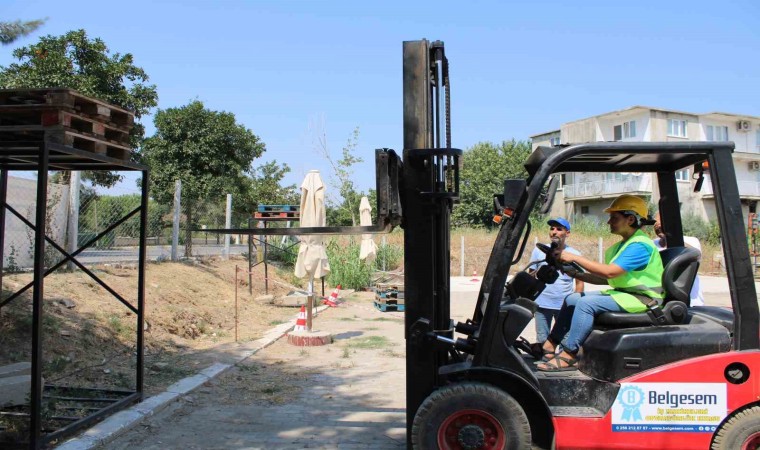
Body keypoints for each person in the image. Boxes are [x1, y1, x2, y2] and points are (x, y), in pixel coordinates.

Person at [537, 195, 664, 372]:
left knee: (586, 304)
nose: (609, 222)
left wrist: (574, 258)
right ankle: (549, 345)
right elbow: (608, 279)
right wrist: (575, 273)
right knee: (572, 298)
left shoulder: (640, 245)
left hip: (643, 299)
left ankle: (570, 355)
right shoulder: (622, 246)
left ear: (630, 219)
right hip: (626, 294)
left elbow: (609, 272)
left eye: (614, 218)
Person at [527, 218, 584, 358]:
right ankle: (544, 364)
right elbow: (531, 276)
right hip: (541, 304)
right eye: (552, 228)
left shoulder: (574, 255)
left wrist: (575, 304)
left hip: (564, 306)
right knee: (543, 341)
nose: (554, 232)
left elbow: (579, 282)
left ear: (567, 233)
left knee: (565, 340)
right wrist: (529, 301)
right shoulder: (539, 251)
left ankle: (561, 365)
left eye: (559, 229)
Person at [653, 212, 704, 307]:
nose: (659, 227)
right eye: (656, 224)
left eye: (662, 223)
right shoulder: (652, 245)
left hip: (692, 302)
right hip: (666, 303)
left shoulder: (691, 241)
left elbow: (694, 255)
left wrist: (669, 235)